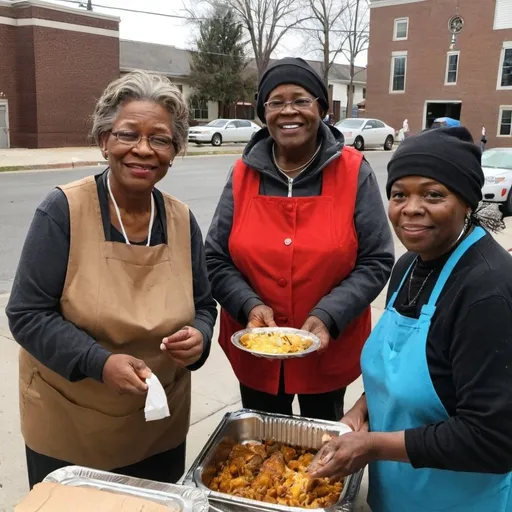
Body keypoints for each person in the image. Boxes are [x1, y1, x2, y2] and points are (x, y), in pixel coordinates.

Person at [6, 71, 217, 488]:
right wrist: (98, 362)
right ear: (104, 141)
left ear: (175, 150)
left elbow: (205, 304)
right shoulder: (63, 211)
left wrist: (200, 336)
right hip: (71, 423)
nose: (143, 149)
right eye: (127, 135)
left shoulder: (180, 219)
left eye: (159, 139)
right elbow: (27, 314)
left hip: (157, 425)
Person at [308, 127, 512, 512]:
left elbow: (494, 439)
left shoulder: (488, 292)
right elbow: (400, 367)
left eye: (433, 194)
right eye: (399, 194)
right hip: (398, 494)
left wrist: (372, 446)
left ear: (467, 201)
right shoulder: (407, 267)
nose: (411, 208)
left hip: (458, 502)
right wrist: (362, 411)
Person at [205, 57, 394, 422]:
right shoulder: (243, 173)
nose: (288, 111)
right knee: (260, 451)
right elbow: (215, 257)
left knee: (320, 451)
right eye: (276, 102)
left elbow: (376, 260)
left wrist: (330, 314)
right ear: (263, 112)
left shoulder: (354, 171)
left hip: (328, 347)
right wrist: (247, 305)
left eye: (301, 100)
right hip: (257, 351)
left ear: (321, 108)